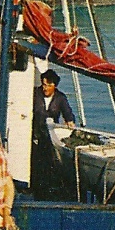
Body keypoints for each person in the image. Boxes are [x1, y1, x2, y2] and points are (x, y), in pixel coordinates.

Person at [30, 70, 75, 199]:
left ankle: (49, 187)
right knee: (36, 161)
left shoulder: (60, 98)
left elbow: (68, 114)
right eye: (43, 85)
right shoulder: (35, 94)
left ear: (54, 85)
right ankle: (35, 188)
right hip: (35, 134)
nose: (45, 88)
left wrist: (70, 122)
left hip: (50, 135)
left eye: (48, 85)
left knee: (49, 162)